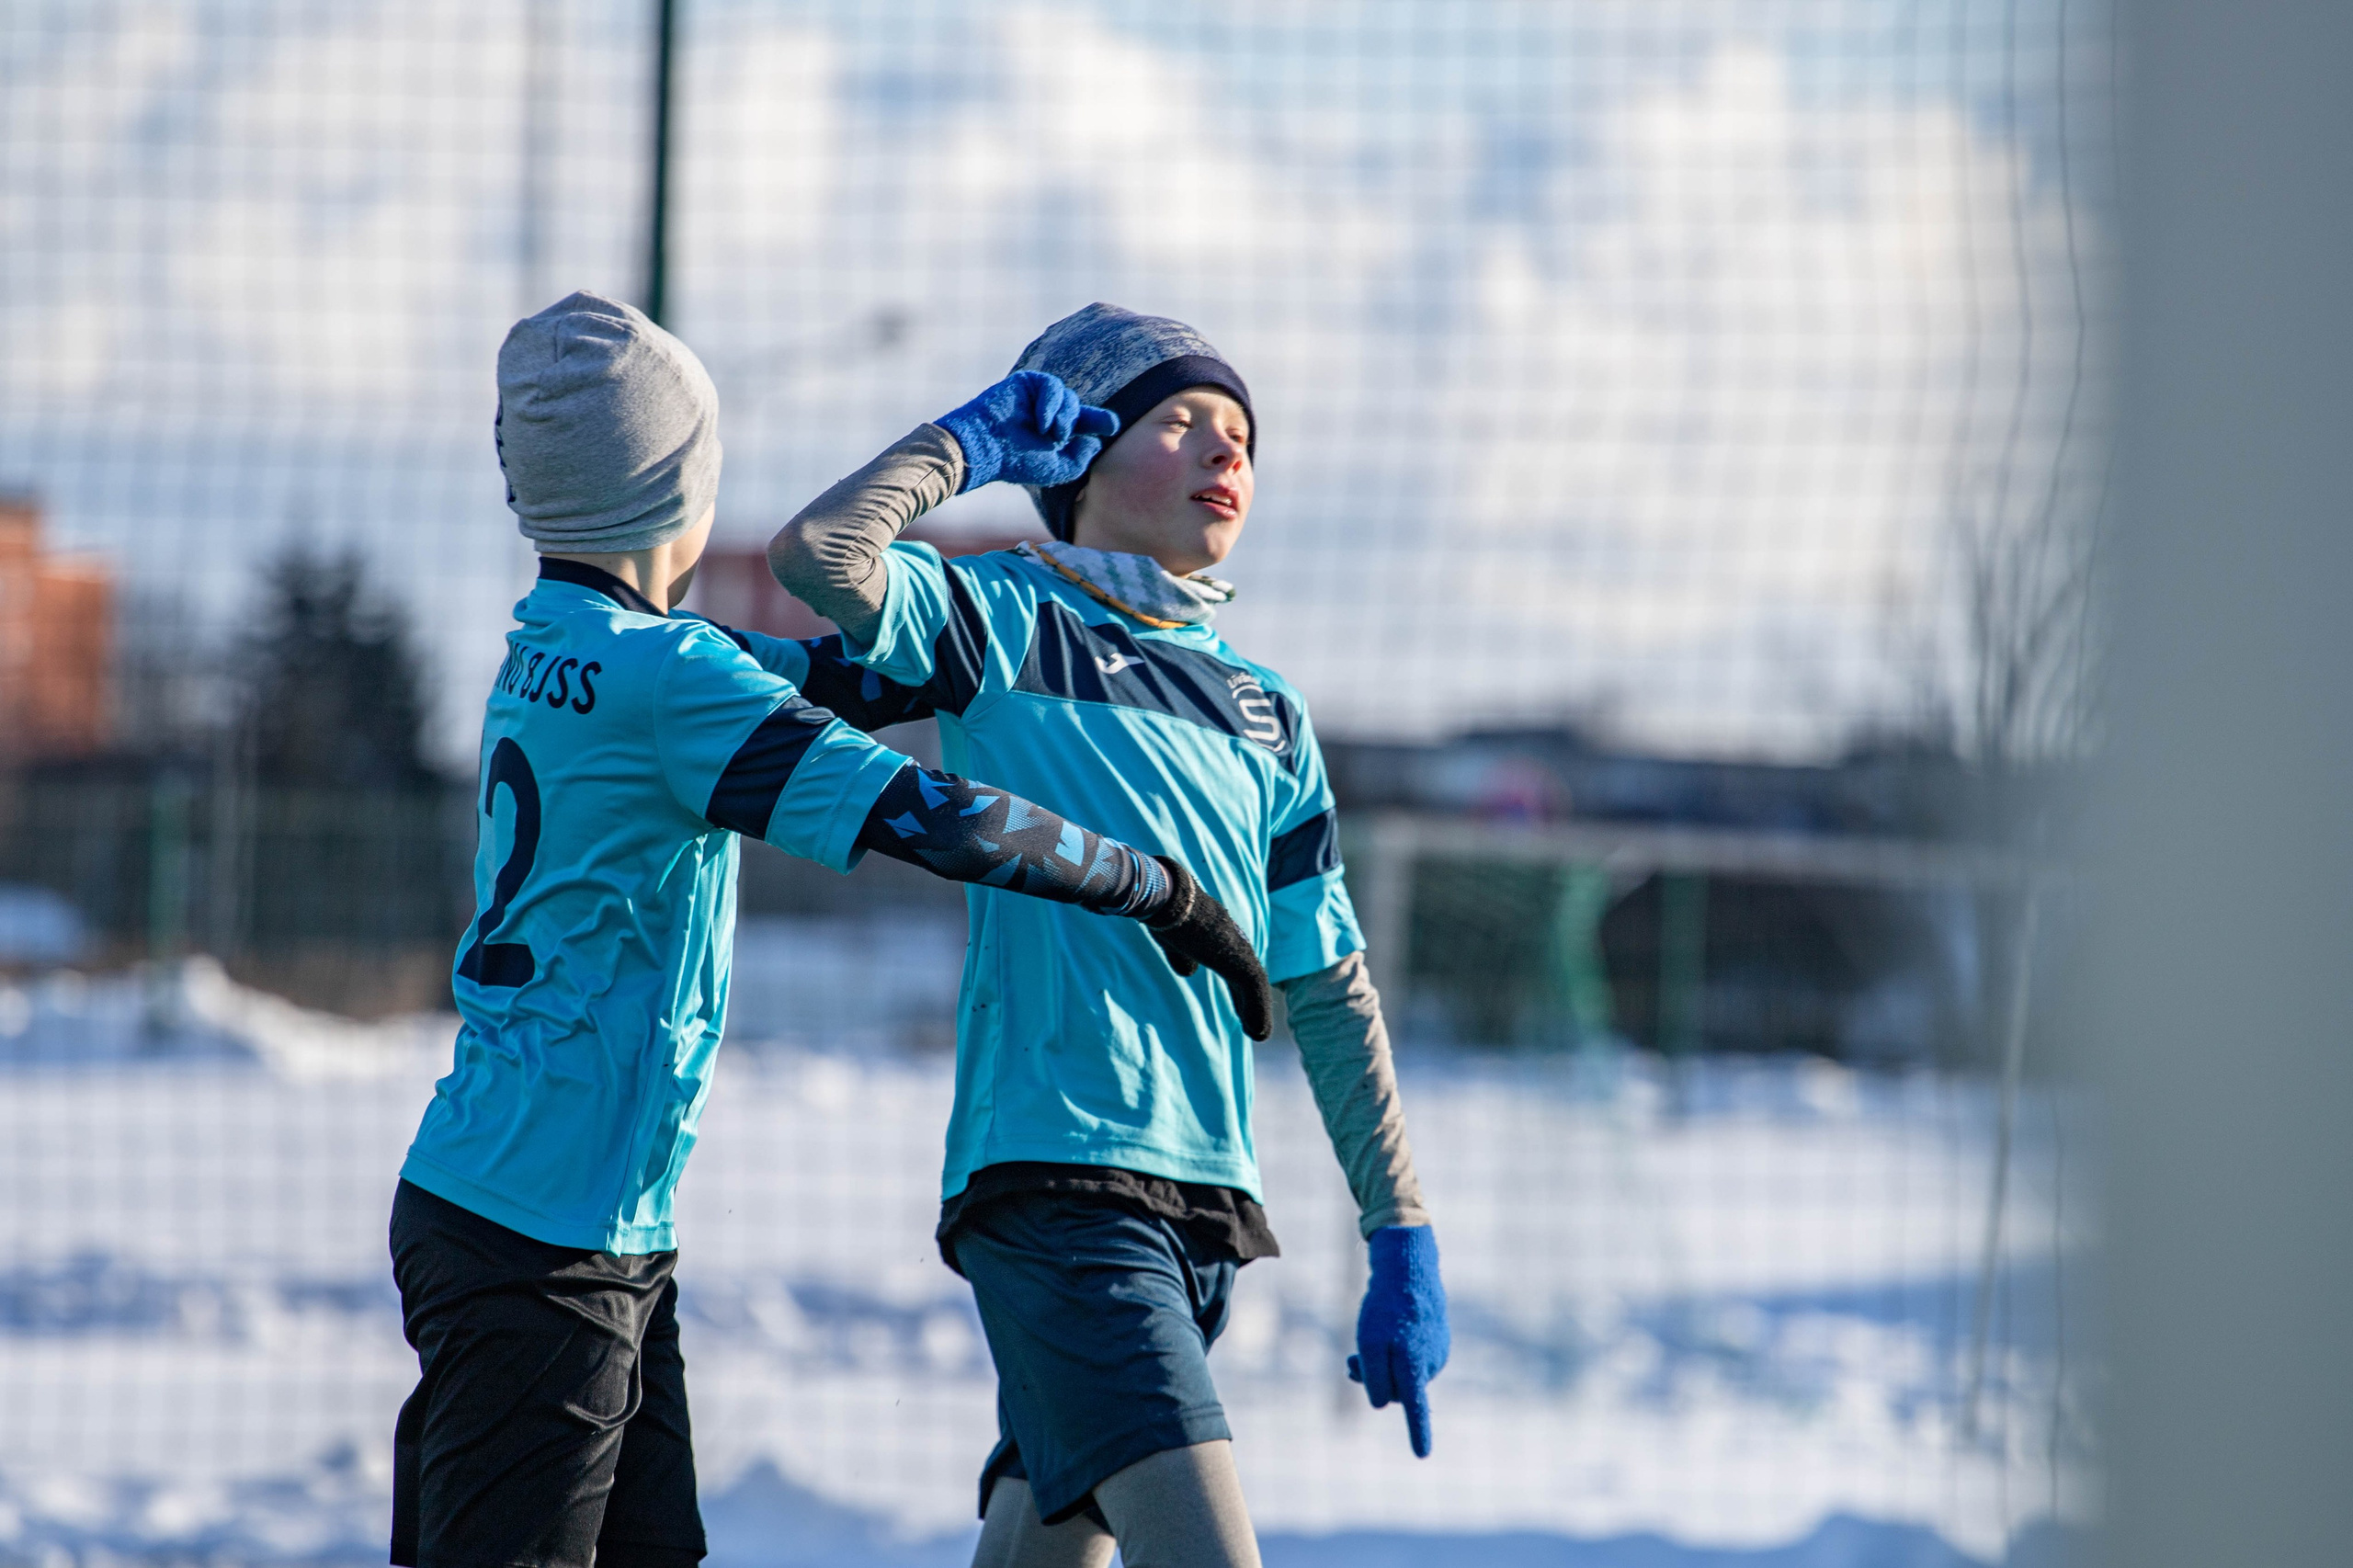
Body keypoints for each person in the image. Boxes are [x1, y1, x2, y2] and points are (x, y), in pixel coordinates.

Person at [390, 292, 1268, 1568]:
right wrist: (1162, 888)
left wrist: (1023, 625)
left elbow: (833, 678)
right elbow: (936, 815)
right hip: (545, 1240)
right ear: (680, 485)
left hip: (560, 1209)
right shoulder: (673, 680)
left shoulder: (566, 642)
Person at [767, 303, 1451, 1568]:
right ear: (1075, 461)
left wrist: (1399, 1225)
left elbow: (1331, 985)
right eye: (1180, 420)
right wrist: (961, 449)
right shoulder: (1009, 617)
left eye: (1241, 431)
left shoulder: (1269, 713)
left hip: (1201, 1204)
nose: (1225, 449)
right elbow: (823, 557)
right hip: (1060, 1184)